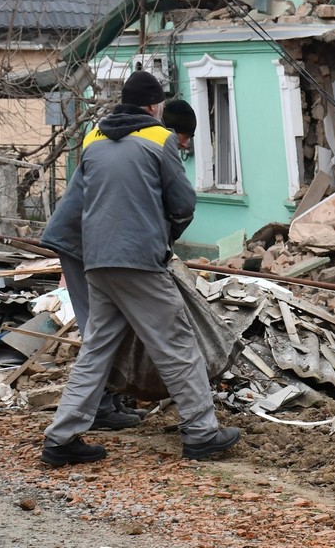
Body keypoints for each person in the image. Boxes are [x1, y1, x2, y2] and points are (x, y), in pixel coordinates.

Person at [41, 72, 239, 466]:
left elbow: (82, 200)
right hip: (139, 261)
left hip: (96, 261)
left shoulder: (93, 139)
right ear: (155, 106)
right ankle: (201, 433)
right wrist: (162, 235)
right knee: (177, 345)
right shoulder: (159, 138)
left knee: (96, 349)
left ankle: (60, 438)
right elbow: (182, 203)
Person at [39, 99, 200, 432]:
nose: (185, 144)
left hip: (99, 246)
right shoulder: (151, 144)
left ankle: (88, 416)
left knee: (105, 332)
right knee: (98, 331)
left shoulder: (117, 142)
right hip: (81, 244)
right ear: (167, 128)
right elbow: (177, 205)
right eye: (184, 135)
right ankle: (101, 410)